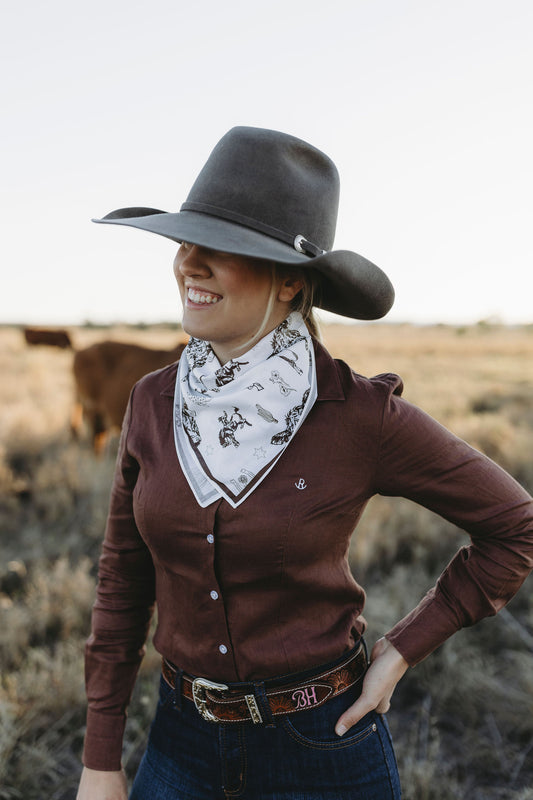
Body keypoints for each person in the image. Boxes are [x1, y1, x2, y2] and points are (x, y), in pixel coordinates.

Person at [76, 127, 533, 800]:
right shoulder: (151, 401)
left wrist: (401, 652)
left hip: (321, 748)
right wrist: (99, 756)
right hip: (179, 744)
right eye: (185, 241)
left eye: (222, 248)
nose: (189, 264)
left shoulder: (356, 415)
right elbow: (122, 578)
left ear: (290, 282)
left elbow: (514, 526)